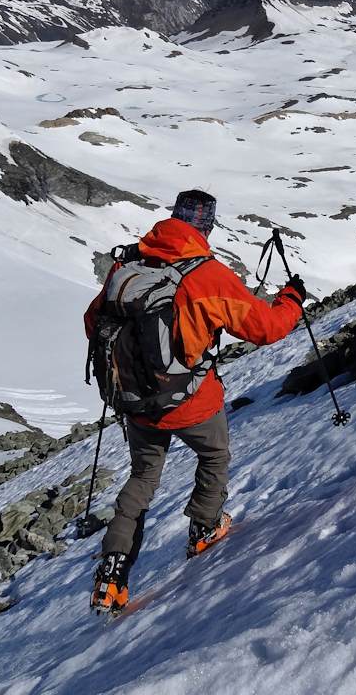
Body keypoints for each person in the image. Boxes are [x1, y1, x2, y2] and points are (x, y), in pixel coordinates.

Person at [84, 189, 305, 614]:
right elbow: (267, 329)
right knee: (214, 454)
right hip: (190, 400)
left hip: (135, 402)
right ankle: (204, 529)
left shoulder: (126, 265)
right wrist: (291, 299)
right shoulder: (207, 275)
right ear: (206, 227)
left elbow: (93, 323)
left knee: (143, 478)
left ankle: (111, 577)